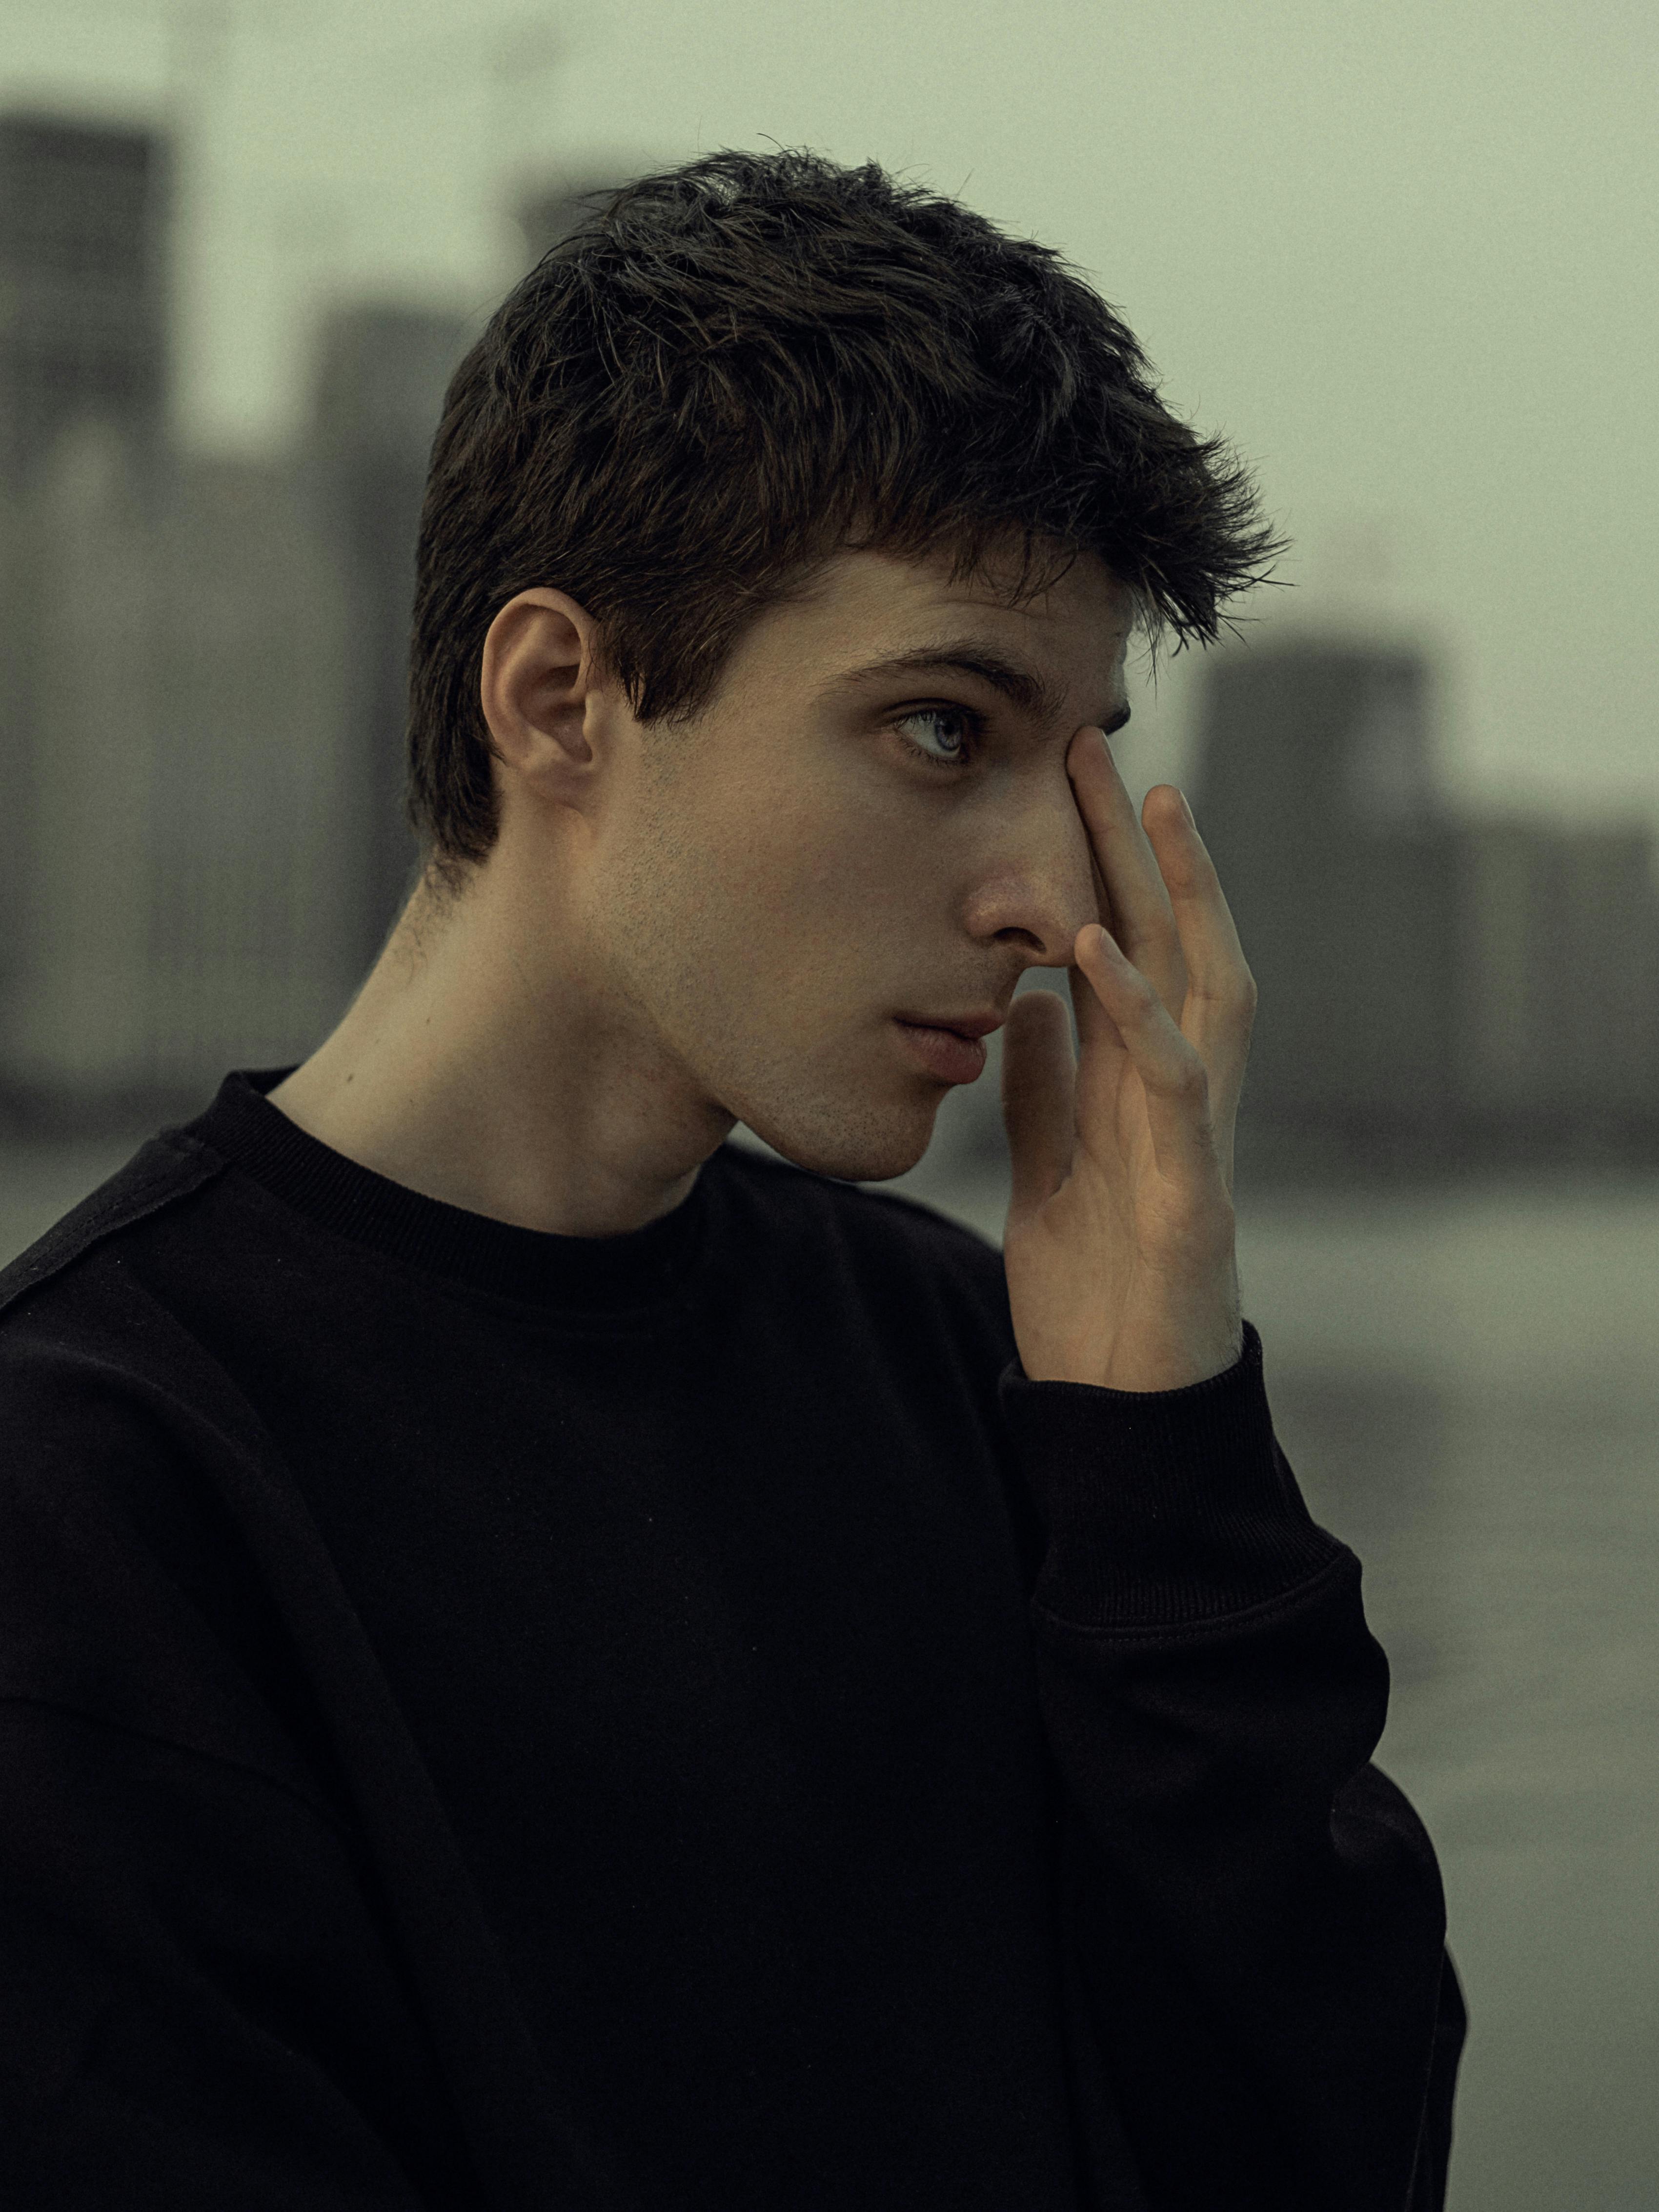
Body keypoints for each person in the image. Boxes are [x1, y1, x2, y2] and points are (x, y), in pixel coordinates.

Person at [0, 148, 1464, 2210]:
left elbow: (1327, 2158)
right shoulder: (99, 1492)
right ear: (556, 700)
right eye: (942, 729)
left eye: (1075, 759)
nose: (1056, 898)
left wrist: (1161, 1443)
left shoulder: (988, 1364)